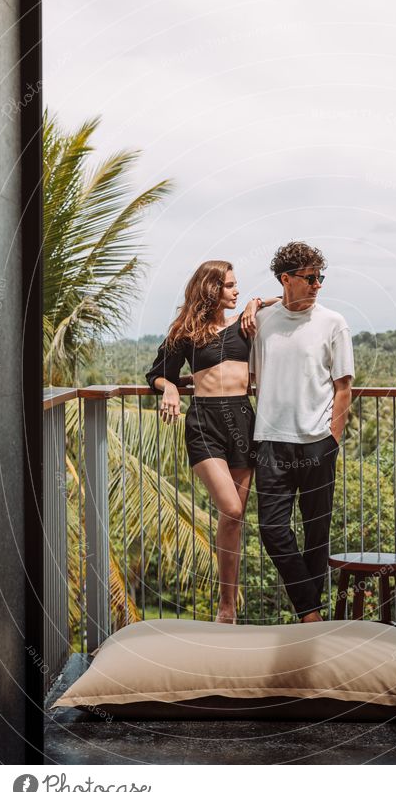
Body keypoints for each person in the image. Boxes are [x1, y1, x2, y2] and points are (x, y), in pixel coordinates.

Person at [145, 261, 280, 624]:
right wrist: (171, 387)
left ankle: (227, 608)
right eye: (230, 286)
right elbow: (156, 375)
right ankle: (225, 606)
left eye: (238, 286)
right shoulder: (185, 331)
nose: (236, 291)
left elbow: (286, 300)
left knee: (232, 520)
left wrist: (254, 302)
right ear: (211, 289)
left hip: (242, 419)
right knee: (232, 509)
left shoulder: (246, 324)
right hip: (204, 421)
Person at [246, 241, 354, 623]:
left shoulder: (333, 322)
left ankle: (309, 617)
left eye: (320, 277)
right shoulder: (261, 322)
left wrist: (332, 440)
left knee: (316, 534)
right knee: (273, 529)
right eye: (309, 278)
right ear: (286, 279)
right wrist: (254, 304)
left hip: (317, 445)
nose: (317, 285)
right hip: (271, 443)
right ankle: (311, 612)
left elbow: (344, 387)